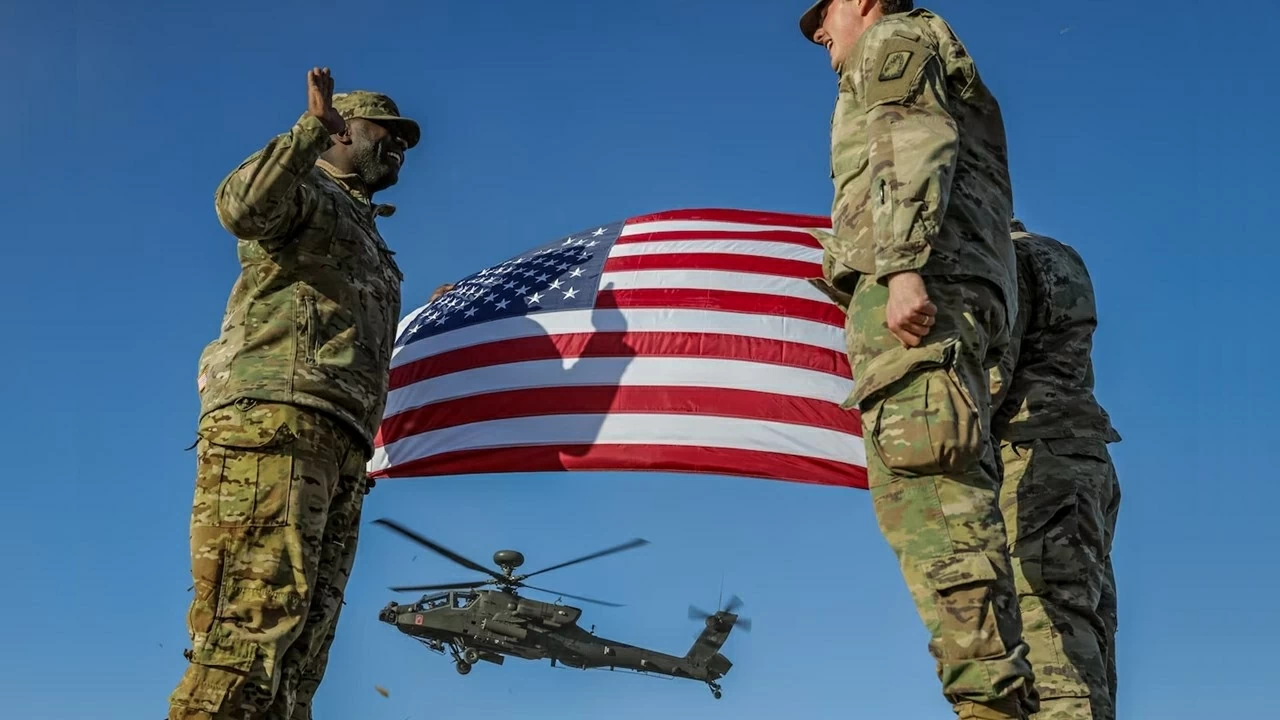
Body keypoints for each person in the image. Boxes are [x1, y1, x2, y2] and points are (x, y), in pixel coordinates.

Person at [799, 2, 1037, 717]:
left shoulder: (891, 39)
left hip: (923, 288)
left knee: (936, 505)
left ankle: (990, 705)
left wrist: (902, 267)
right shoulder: (927, 48)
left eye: (825, 12)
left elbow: (910, 138)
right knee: (957, 496)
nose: (819, 32)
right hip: (964, 291)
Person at [167, 67, 420, 720]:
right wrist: (308, 131)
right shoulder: (307, 189)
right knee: (251, 628)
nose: (397, 145)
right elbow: (240, 207)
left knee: (299, 662)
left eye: (403, 140)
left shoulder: (370, 237)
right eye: (384, 132)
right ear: (342, 131)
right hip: (278, 421)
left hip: (342, 444)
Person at [988, 220, 1122, 720]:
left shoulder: (1004, 258)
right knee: (1084, 621)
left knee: (1044, 617)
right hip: (1081, 453)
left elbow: (993, 374)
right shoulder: (1059, 253)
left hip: (1035, 453)